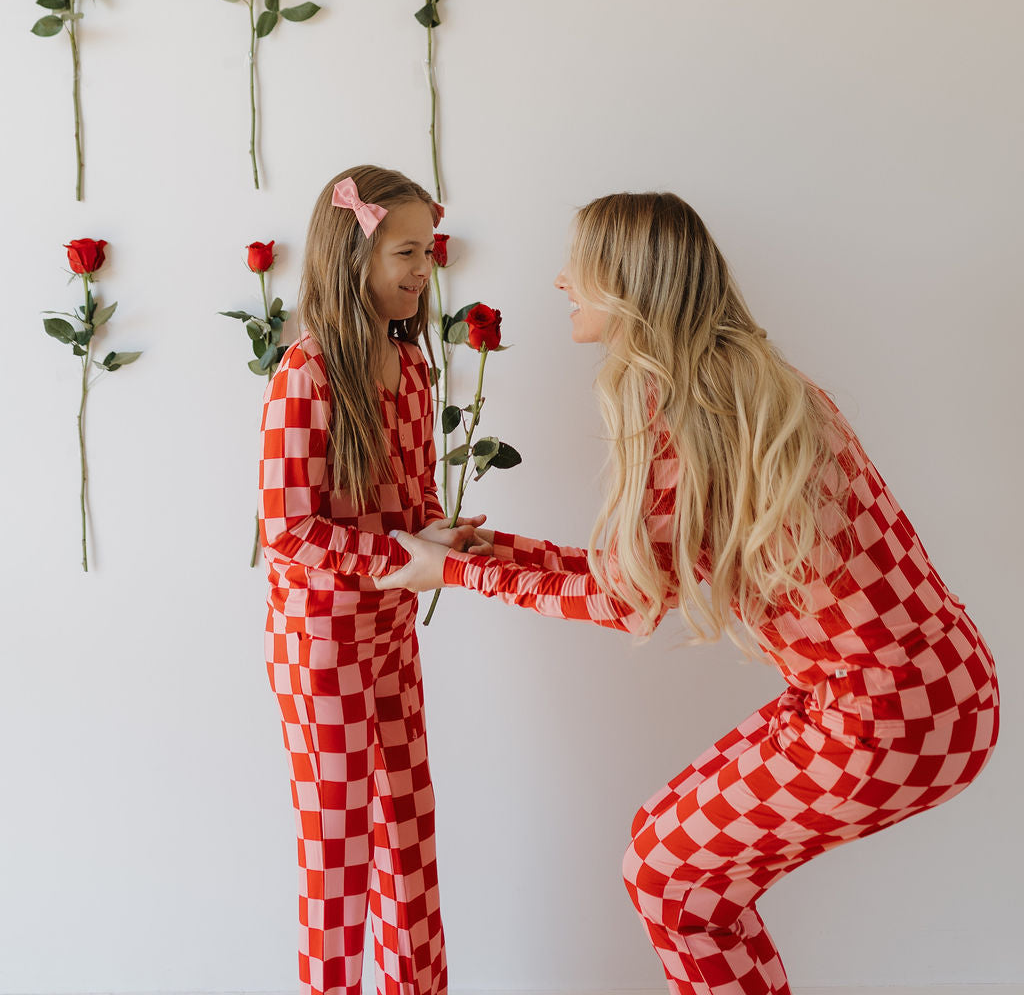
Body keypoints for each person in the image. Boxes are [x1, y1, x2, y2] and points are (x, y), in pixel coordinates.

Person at [375, 191, 999, 995]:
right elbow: (638, 573)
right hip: (928, 689)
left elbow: (624, 605)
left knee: (670, 879)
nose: (561, 280)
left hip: (885, 712)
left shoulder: (683, 407)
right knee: (664, 860)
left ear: (628, 282)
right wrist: (494, 548)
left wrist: (455, 571)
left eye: (582, 265)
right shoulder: (738, 382)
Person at [259, 165, 483, 995]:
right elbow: (286, 529)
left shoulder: (416, 375)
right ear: (353, 256)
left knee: (410, 852)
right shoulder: (307, 373)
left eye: (430, 251)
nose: (424, 270)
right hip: (320, 653)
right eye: (407, 252)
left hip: (387, 641)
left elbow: (412, 509)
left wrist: (440, 538)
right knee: (339, 868)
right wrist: (400, 558)